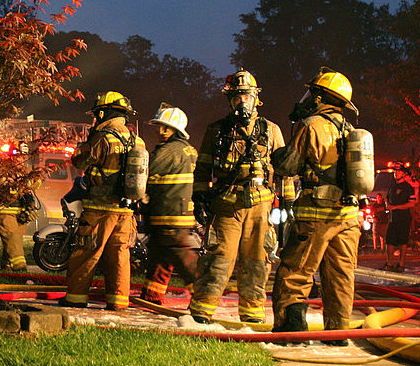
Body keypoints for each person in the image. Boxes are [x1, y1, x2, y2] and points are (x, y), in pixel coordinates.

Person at [270, 69, 363, 344]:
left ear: (320, 97)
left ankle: (292, 330)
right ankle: (338, 334)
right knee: (340, 276)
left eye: (314, 93)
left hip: (315, 213)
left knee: (295, 271)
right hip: (348, 216)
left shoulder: (311, 125)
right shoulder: (350, 130)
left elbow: (289, 166)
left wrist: (279, 151)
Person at [188, 70, 285, 324]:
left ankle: (252, 313)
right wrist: (199, 197)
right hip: (227, 203)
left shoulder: (271, 130)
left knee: (257, 260)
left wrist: (289, 204)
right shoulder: (217, 131)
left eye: (245, 96)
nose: (241, 101)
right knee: (218, 257)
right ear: (230, 100)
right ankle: (201, 311)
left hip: (261, 205)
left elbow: (284, 171)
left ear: (255, 98)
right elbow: (202, 168)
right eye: (236, 97)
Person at [61, 91, 145, 311]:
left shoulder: (103, 137)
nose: (96, 118)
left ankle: (76, 298)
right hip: (126, 212)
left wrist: (85, 143)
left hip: (99, 210)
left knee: (86, 252)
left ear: (105, 112)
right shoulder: (137, 140)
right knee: (119, 257)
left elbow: (80, 162)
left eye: (98, 113)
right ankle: (118, 302)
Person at [139, 104, 200, 305]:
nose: (159, 131)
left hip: (170, 215)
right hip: (169, 214)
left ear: (175, 129)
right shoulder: (187, 149)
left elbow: (144, 172)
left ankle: (202, 295)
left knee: (183, 258)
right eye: (158, 126)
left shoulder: (169, 151)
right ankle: (151, 296)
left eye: (164, 127)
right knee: (159, 258)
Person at [0, 141, 39, 273]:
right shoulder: (1, 172)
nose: (22, 159)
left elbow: (32, 188)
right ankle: (20, 269)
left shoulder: (25, 172)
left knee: (14, 241)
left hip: (19, 214)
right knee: (13, 238)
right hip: (4, 211)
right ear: (10, 156)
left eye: (24, 156)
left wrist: (30, 206)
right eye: (18, 156)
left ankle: (6, 268)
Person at [384, 166, 417, 272]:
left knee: (403, 242)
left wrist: (395, 207)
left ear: (404, 173)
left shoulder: (408, 187)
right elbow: (387, 198)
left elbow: (411, 204)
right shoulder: (392, 186)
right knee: (389, 241)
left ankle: (401, 265)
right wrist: (387, 205)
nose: (396, 173)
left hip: (404, 218)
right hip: (392, 218)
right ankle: (389, 264)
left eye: (399, 171)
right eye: (395, 171)